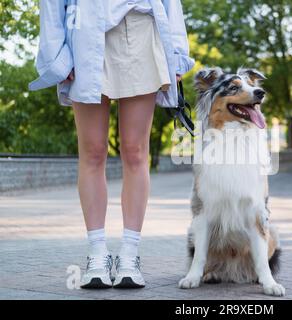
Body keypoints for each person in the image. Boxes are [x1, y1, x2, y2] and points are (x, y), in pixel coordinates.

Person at [29, 0, 194, 289]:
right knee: (92, 152)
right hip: (85, 33)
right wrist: (55, 55)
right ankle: (97, 255)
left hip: (142, 29)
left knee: (135, 151)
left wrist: (177, 54)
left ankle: (129, 255)